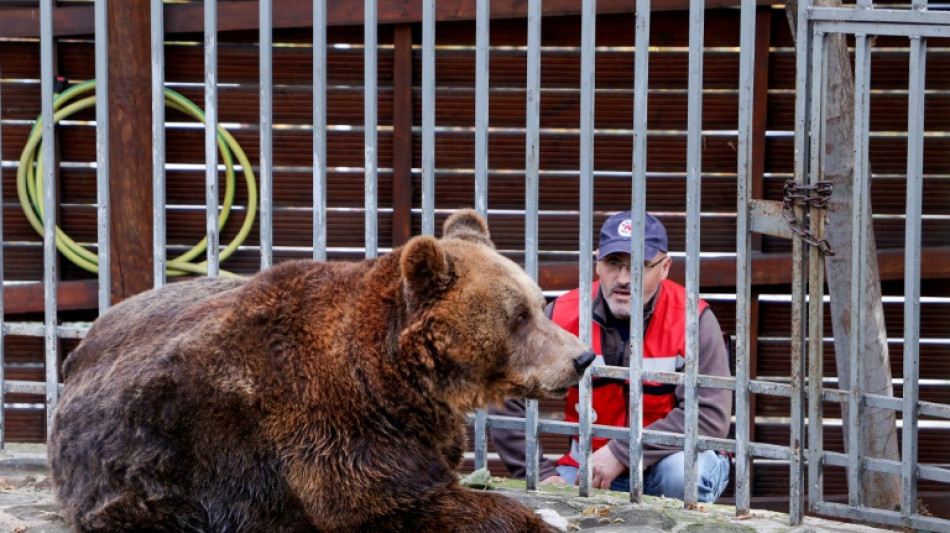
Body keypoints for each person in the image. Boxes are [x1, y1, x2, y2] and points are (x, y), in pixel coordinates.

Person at [489, 211, 733, 502]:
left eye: (640, 265)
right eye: (613, 263)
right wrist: (540, 473)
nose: (623, 279)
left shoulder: (694, 320)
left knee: (681, 477)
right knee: (551, 506)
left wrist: (624, 451)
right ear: (597, 263)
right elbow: (507, 396)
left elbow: (710, 416)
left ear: (665, 267)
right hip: (588, 469)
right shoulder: (562, 316)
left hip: (667, 464)